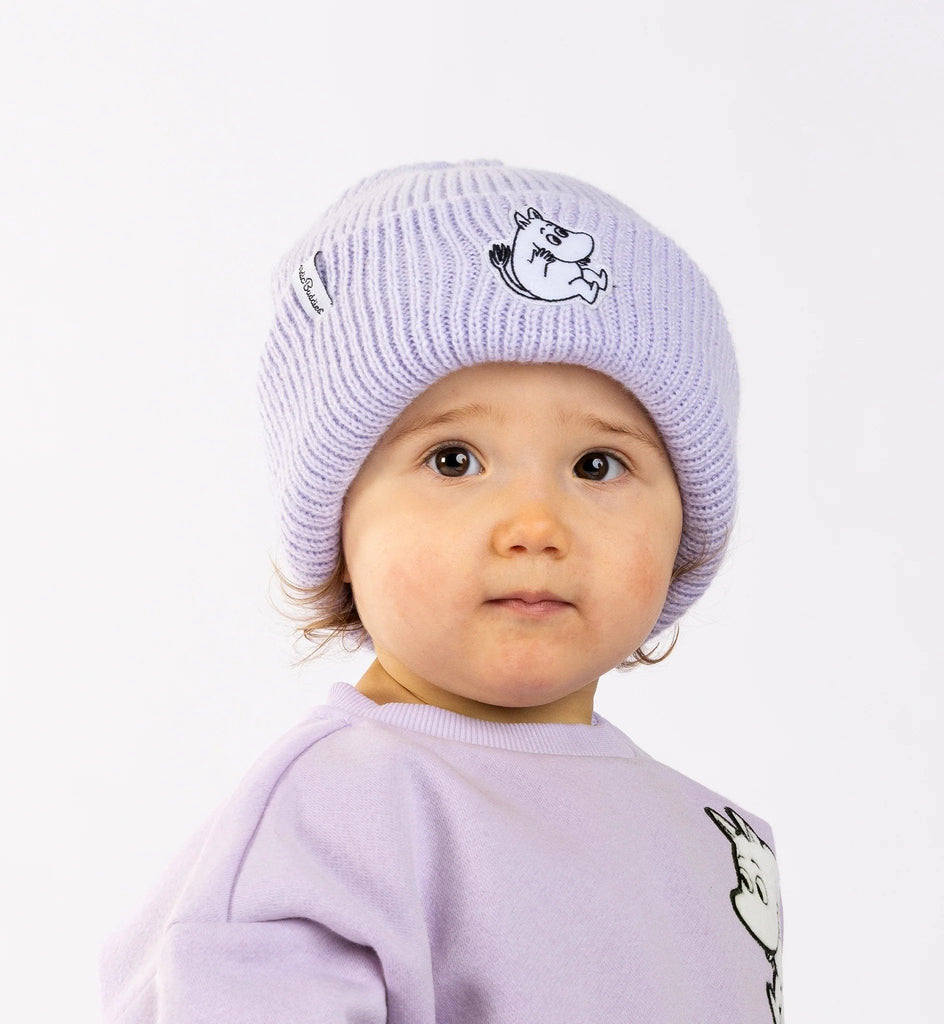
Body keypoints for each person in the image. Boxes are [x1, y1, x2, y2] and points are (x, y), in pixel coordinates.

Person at [98, 159, 784, 1023]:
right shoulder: (335, 817)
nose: (535, 523)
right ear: (339, 520)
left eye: (597, 465)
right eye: (453, 460)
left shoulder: (718, 844)